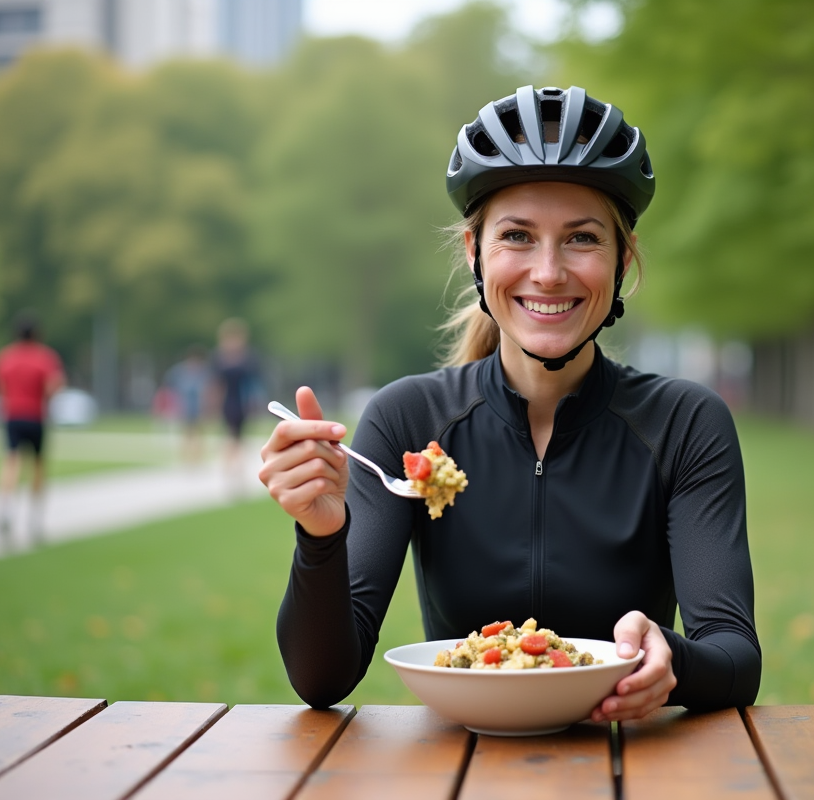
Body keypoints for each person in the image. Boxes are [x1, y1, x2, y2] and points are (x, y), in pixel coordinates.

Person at [260, 86, 761, 719]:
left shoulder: (686, 423)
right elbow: (322, 680)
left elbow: (736, 659)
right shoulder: (407, 422)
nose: (548, 272)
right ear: (475, 253)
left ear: (622, 258)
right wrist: (321, 535)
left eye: (581, 238)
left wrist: (669, 659)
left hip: (629, 764)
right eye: (518, 236)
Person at [0, 312, 66, 547]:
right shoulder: (44, 357)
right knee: (38, 465)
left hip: (12, 415)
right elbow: (55, 386)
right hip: (35, 416)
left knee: (11, 461)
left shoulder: (5, 357)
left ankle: (5, 508)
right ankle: (35, 517)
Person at [212, 318, 259, 490]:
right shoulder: (219, 358)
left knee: (239, 437)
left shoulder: (247, 358)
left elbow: (252, 383)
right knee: (230, 436)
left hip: (242, 401)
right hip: (228, 401)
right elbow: (216, 384)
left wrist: (253, 403)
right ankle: (229, 470)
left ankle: (237, 470)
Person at [163, 344, 210, 463]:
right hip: (184, 407)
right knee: (186, 433)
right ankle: (186, 459)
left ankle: (196, 458)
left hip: (199, 407)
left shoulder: (203, 372)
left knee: (198, 434)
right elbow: (170, 388)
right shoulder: (179, 371)